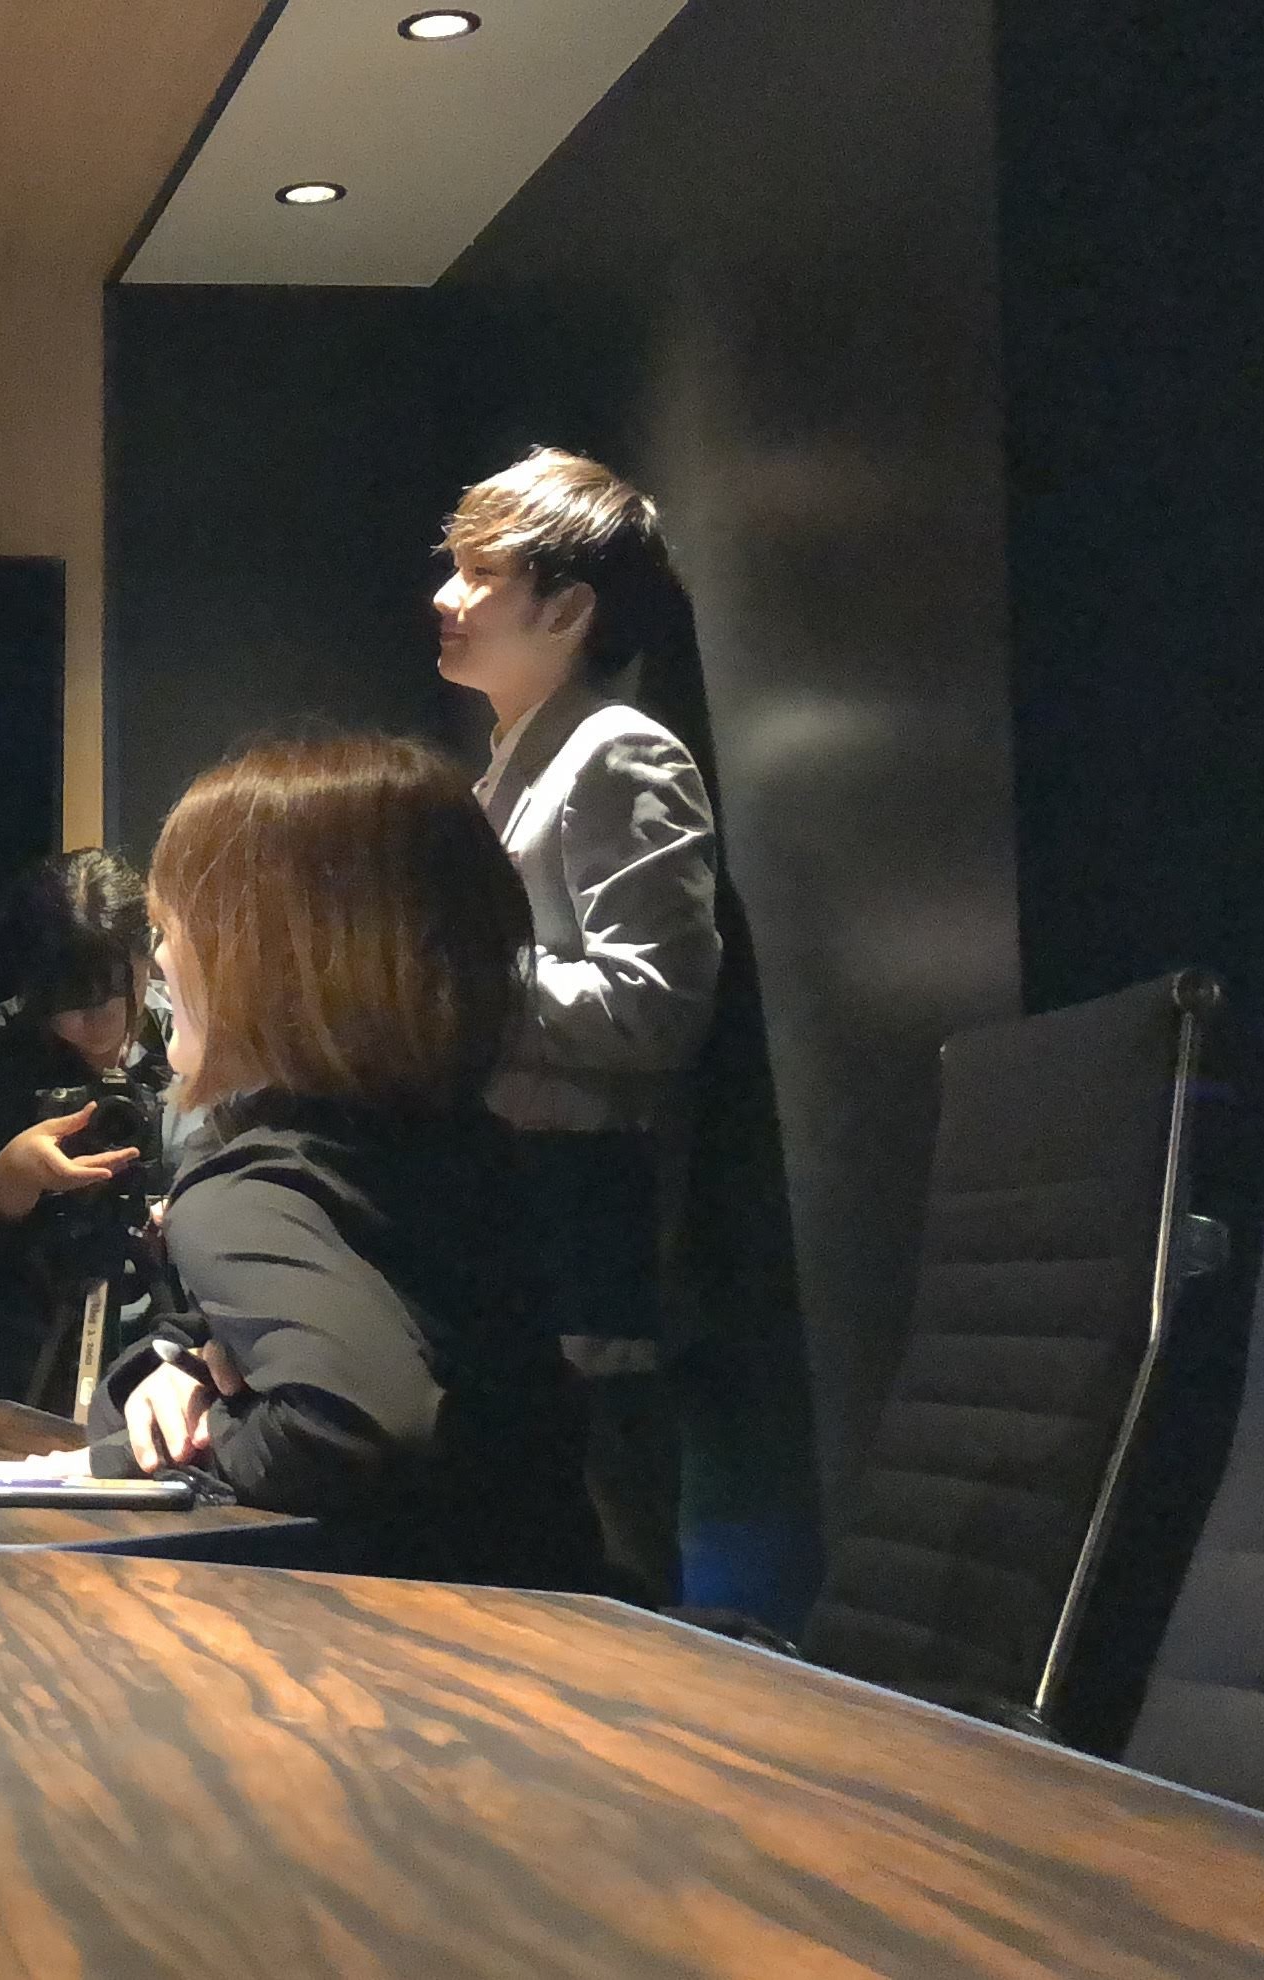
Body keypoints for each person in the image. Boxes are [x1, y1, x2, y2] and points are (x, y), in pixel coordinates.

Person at [89, 735, 600, 1591]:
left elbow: (354, 1421)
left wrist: (197, 1441)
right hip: (572, 1617)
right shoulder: (471, 1152)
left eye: (172, 929)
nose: (162, 959)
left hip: (408, 1645)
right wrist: (180, 1362)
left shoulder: (245, 1195)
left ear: (267, 962)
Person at [433, 446, 723, 1601]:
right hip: (516, 1211)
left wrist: (450, 981)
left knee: (602, 1565)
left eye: (480, 573)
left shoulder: (618, 748)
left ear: (567, 608)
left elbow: (655, 1008)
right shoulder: (509, 767)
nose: (447, 596)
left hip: (581, 1215)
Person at [0, 850, 173, 1411]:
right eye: (61, 1002)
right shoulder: (1, 1051)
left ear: (144, 952)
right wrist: (14, 1176)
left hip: (162, 1338)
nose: (85, 1023)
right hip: (23, 1345)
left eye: (104, 996)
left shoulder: (191, 1045)